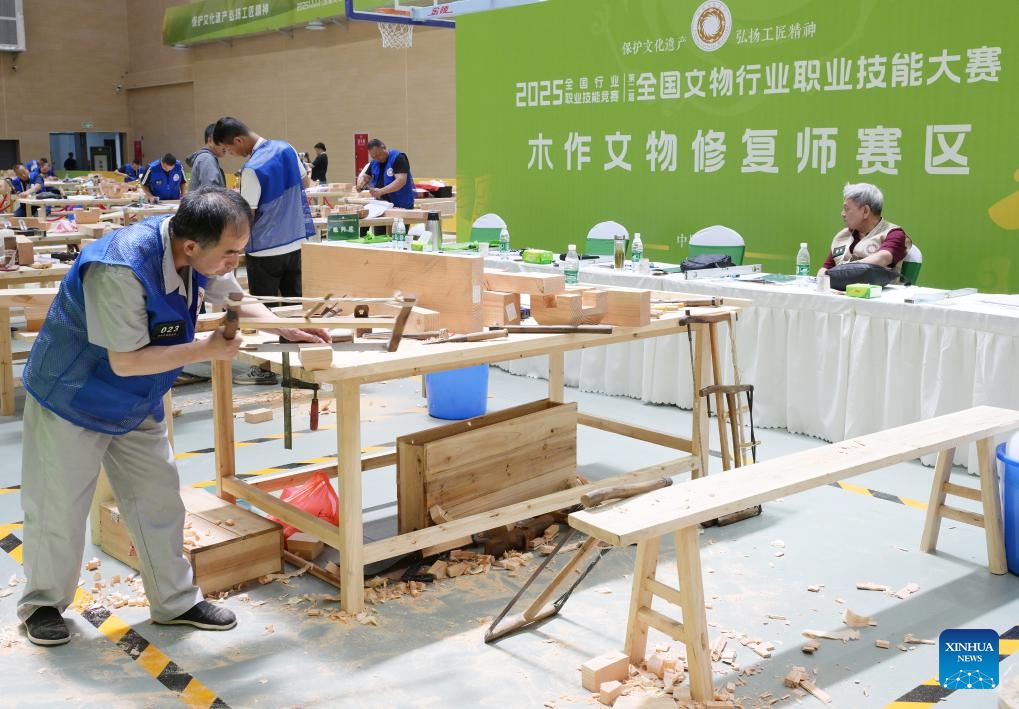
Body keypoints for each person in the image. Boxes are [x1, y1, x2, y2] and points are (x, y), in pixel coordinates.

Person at [16, 187, 330, 647]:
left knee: (159, 500)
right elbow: (125, 359)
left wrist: (285, 327)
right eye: (230, 253)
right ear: (191, 246)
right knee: (59, 508)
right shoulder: (118, 269)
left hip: (136, 399)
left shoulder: (198, 255)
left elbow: (236, 299)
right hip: (73, 396)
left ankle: (175, 601)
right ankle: (42, 603)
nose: (233, 262)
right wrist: (206, 350)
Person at [212, 116, 314, 385]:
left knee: (267, 313)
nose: (231, 155)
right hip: (296, 242)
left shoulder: (252, 169)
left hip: (265, 250)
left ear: (238, 140)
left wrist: (230, 248)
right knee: (295, 309)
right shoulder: (287, 149)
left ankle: (267, 369)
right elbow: (306, 185)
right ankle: (300, 370)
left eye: (229, 150)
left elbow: (246, 216)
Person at [819, 182, 911, 274]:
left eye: (847, 209)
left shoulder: (894, 233)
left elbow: (882, 258)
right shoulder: (844, 236)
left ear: (865, 211)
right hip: (839, 288)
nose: (842, 214)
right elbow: (825, 269)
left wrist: (841, 271)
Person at [356, 138, 415, 209]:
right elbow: (366, 177)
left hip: (401, 205)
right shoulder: (374, 162)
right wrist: (360, 184)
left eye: (378, 155)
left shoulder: (398, 158)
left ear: (383, 147)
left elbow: (401, 180)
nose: (377, 158)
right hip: (382, 205)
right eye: (374, 157)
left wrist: (381, 191)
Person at [186, 123, 226, 189]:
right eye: (223, 141)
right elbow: (211, 193)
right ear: (210, 141)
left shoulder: (205, 158)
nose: (226, 145)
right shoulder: (206, 159)